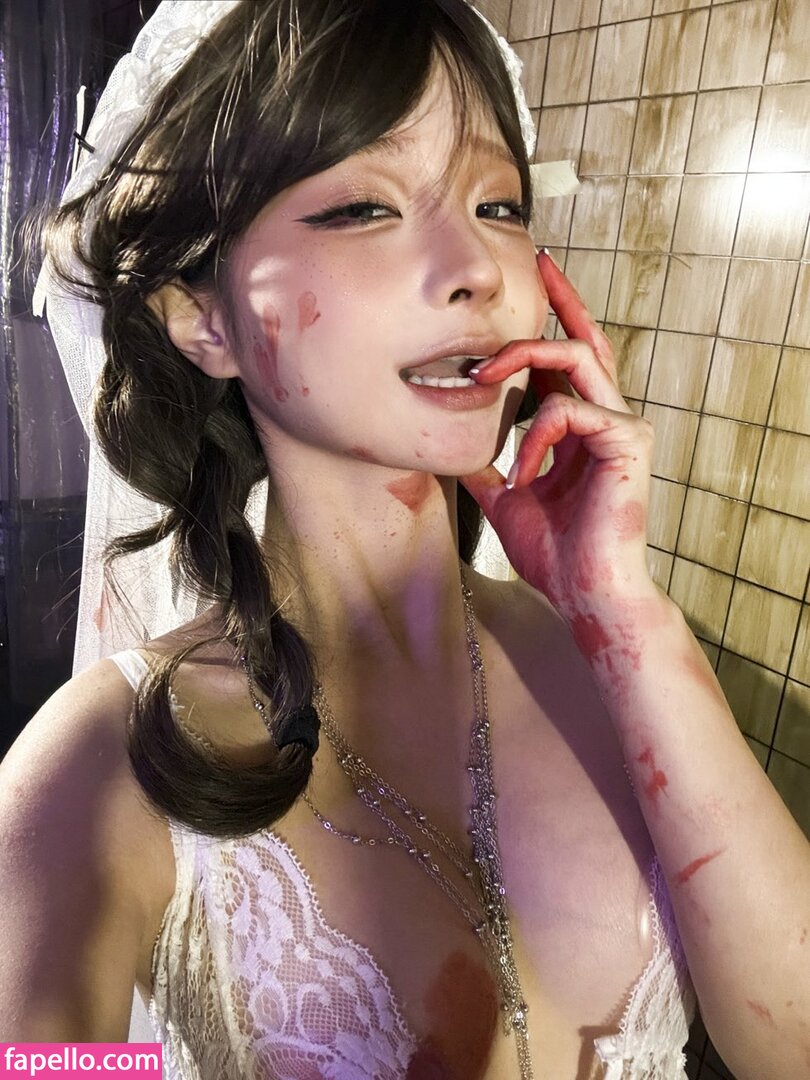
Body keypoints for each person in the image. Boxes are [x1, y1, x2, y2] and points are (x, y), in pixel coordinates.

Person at [1, 1, 808, 1078]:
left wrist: (624, 614)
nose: (476, 266)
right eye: (362, 208)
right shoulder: (99, 765)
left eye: (498, 204)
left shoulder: (616, 660)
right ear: (203, 315)